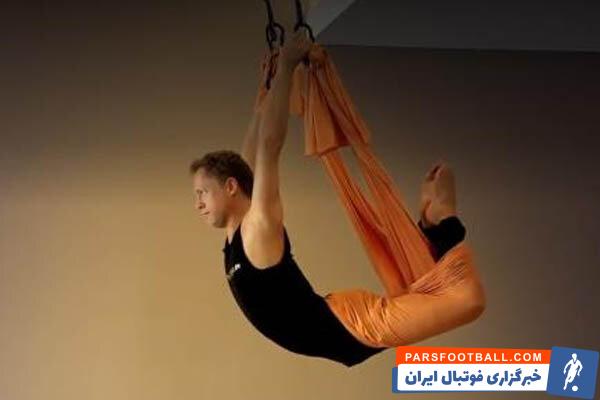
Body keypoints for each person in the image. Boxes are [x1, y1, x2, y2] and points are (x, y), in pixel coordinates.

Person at [190, 31, 470, 366]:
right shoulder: (235, 237)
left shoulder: (257, 227)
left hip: (352, 327)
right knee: (434, 300)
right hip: (343, 324)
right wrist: (266, 92)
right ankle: (430, 227)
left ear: (231, 187)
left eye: (203, 192)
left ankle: (441, 218)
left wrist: (288, 66)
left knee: (466, 301)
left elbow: (268, 145)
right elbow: (249, 154)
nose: (198, 204)